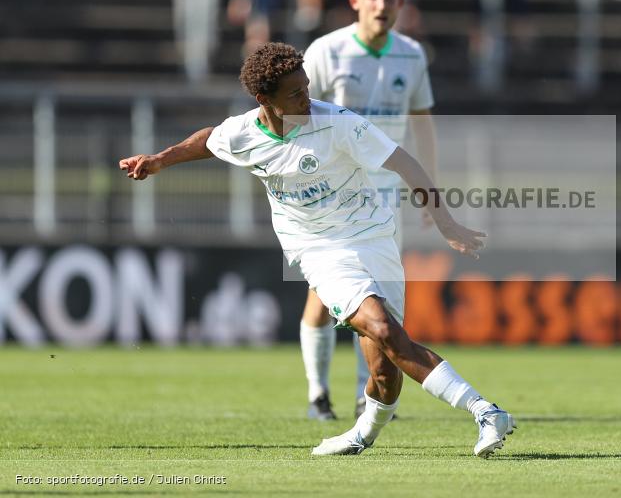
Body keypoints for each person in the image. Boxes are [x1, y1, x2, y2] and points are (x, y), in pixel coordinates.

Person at [118, 42, 515, 457]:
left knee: (385, 365)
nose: (306, 97)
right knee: (383, 329)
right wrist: (160, 160)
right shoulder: (243, 133)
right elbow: (207, 141)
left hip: (373, 236)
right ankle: (485, 411)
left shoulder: (338, 123)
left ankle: (361, 434)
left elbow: (406, 164)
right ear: (264, 101)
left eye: (305, 87)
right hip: (320, 250)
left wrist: (446, 224)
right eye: (294, 93)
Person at [299, 0, 438, 421]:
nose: (381, 5)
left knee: (378, 299)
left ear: (400, 3)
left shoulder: (411, 56)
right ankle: (319, 393)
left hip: (386, 195)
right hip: (332, 192)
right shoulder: (326, 51)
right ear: (355, 1)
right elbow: (295, 115)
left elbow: (423, 125)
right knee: (324, 296)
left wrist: (429, 191)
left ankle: (370, 393)